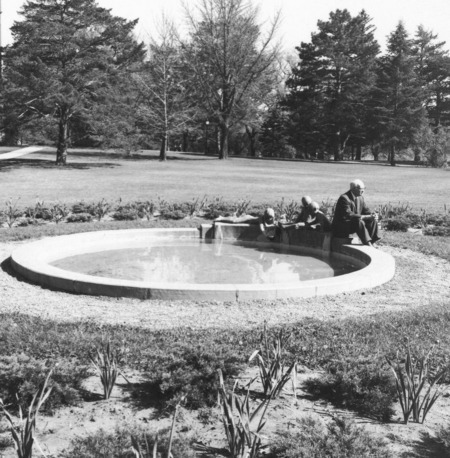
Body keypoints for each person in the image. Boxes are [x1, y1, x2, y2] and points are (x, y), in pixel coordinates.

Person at [332, 179, 380, 246]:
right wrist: (365, 217)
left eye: (364, 188)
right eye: (361, 189)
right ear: (353, 189)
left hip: (352, 225)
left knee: (372, 220)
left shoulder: (360, 198)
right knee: (358, 221)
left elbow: (366, 211)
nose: (363, 191)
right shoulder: (344, 198)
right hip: (342, 226)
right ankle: (367, 242)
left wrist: (373, 215)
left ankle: (372, 241)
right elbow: (349, 215)